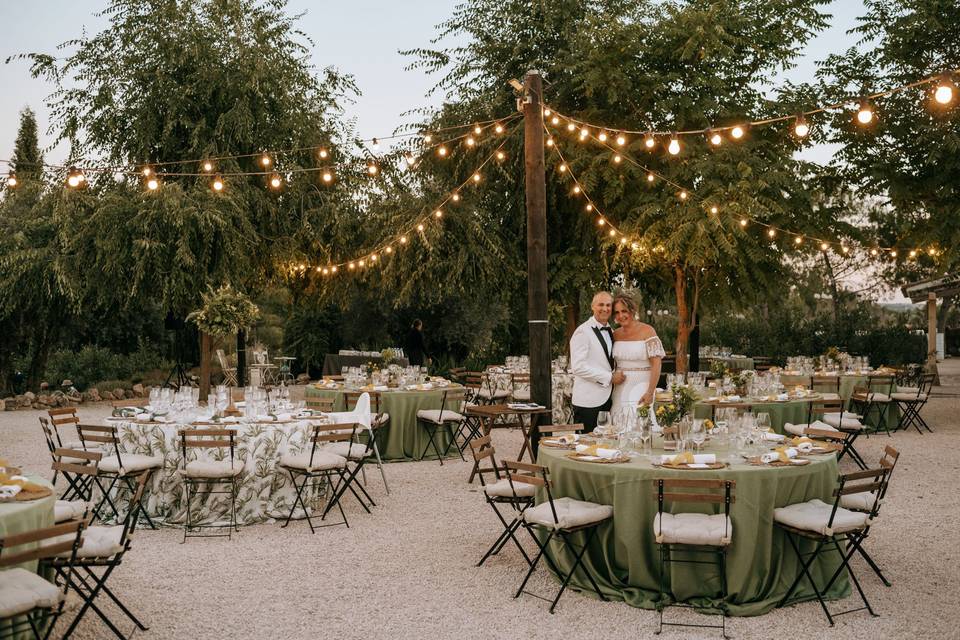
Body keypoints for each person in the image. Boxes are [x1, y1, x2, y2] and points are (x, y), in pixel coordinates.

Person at [570, 291, 625, 431]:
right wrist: (609, 377)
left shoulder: (611, 331)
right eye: (601, 304)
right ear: (592, 307)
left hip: (607, 399)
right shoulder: (583, 331)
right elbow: (578, 367)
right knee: (585, 447)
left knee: (604, 445)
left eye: (608, 305)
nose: (605, 309)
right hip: (588, 402)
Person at [610, 294, 665, 411]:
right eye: (617, 312)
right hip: (620, 388)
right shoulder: (615, 334)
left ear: (632, 310)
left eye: (624, 311)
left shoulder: (648, 331)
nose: (621, 316)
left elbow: (656, 364)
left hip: (642, 388)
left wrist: (650, 392)